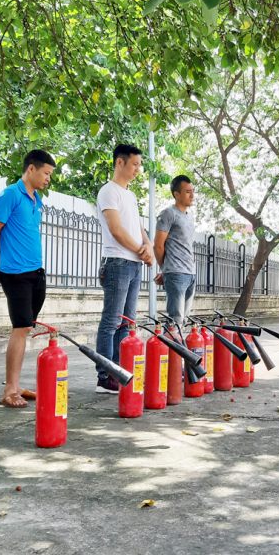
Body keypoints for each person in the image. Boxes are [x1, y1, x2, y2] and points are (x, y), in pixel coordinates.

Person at [0, 149, 54, 408]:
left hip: (36, 272)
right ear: (31, 168)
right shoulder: (10, 194)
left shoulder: (37, 200)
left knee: (25, 329)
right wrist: (0, 259)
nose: (48, 178)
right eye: (46, 173)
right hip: (15, 273)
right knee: (20, 327)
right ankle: (9, 389)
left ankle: (17, 384)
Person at [95, 144, 155, 394]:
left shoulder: (129, 195)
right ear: (119, 163)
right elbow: (116, 230)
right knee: (111, 321)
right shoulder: (109, 192)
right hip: (117, 262)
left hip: (133, 263)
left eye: (139, 165)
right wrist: (141, 251)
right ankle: (104, 376)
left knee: (126, 322)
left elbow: (137, 227)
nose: (138, 170)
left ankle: (119, 370)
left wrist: (148, 245)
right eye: (134, 165)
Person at [154, 175, 196, 327]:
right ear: (176, 194)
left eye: (193, 191)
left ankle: (178, 351)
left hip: (190, 274)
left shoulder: (190, 218)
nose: (192, 195)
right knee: (175, 320)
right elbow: (158, 245)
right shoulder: (168, 214)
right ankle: (168, 351)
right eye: (187, 192)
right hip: (176, 274)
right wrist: (165, 270)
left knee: (183, 321)